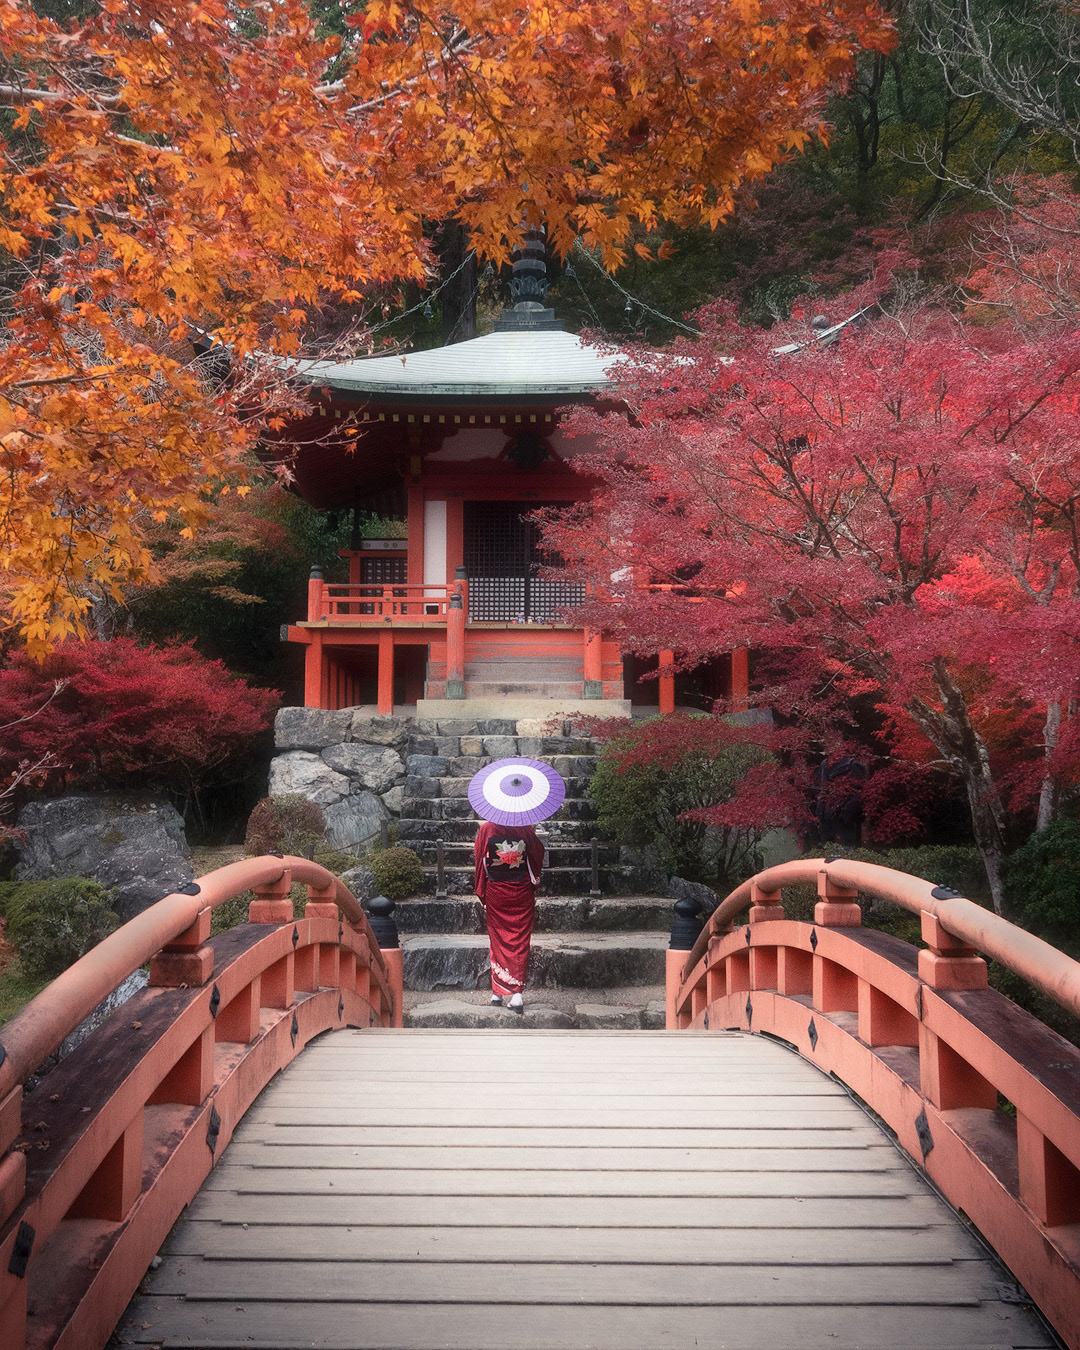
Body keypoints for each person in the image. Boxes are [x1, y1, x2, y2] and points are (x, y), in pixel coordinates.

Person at [473, 819, 545, 1014]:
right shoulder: (525, 828)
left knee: (497, 938)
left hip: (497, 889)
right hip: (520, 890)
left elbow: (479, 857)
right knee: (520, 941)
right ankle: (517, 995)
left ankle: (497, 993)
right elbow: (538, 854)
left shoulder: (487, 828)